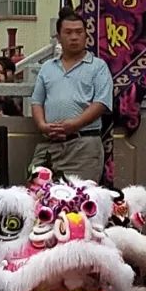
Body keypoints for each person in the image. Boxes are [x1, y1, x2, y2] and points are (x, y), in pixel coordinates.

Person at [29, 10, 113, 182]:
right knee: (38, 195)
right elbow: (37, 102)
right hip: (49, 145)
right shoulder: (47, 68)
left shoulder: (98, 66)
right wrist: (43, 126)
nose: (74, 37)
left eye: (79, 32)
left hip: (84, 146)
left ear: (86, 35)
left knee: (80, 200)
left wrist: (74, 124)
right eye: (68, 32)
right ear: (59, 37)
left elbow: (102, 103)